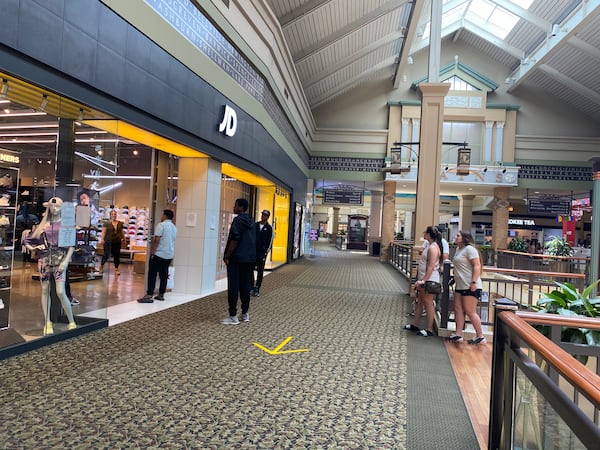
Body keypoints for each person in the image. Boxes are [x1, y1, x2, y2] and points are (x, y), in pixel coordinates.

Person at [24, 197, 77, 335]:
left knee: (60, 291)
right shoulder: (43, 224)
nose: (54, 209)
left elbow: (72, 244)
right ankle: (47, 322)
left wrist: (65, 262)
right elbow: (27, 240)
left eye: (58, 207)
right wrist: (34, 248)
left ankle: (71, 321)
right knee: (45, 290)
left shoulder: (66, 224)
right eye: (52, 207)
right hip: (43, 259)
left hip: (59, 259)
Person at [447, 230, 486, 345]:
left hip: (470, 285)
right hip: (460, 284)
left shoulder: (470, 249)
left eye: (458, 235)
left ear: (464, 238)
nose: (456, 237)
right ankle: (458, 334)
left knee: (470, 311)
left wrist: (473, 282)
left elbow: (477, 265)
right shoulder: (459, 250)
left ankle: (480, 335)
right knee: (458, 309)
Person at [403, 226, 443, 337]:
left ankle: (429, 329)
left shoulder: (433, 248)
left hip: (429, 280)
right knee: (419, 302)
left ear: (429, 234)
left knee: (428, 303)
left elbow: (430, 267)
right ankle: (415, 324)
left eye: (425, 232)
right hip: (424, 279)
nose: (424, 234)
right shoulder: (430, 246)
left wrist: (423, 281)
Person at [221, 198, 256, 324]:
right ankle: (245, 313)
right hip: (249, 259)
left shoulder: (237, 220)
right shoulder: (252, 221)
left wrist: (227, 256)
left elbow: (235, 239)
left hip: (236, 258)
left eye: (235, 205)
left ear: (241, 207)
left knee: (233, 287)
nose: (233, 207)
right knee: (245, 286)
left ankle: (233, 316)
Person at [138, 210, 177, 303]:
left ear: (165, 216)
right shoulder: (174, 227)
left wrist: (152, 252)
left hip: (159, 254)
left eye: (162, 214)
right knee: (164, 274)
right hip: (169, 254)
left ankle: (149, 295)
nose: (161, 216)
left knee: (152, 274)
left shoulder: (161, 225)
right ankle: (161, 294)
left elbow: (157, 240)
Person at [251, 209, 273, 297]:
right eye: (262, 214)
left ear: (267, 217)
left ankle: (257, 288)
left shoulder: (269, 228)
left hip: (261, 253)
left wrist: (265, 253)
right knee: (250, 270)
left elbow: (270, 242)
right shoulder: (255, 225)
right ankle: (251, 286)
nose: (263, 216)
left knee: (260, 271)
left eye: (265, 215)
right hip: (252, 252)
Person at [99, 210, 126, 275]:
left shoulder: (119, 223)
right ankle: (101, 266)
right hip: (108, 241)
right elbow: (104, 232)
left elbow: (121, 232)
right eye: (113, 214)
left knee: (117, 255)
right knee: (106, 255)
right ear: (110, 215)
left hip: (117, 241)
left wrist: (124, 239)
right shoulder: (107, 223)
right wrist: (102, 239)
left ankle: (116, 269)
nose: (114, 215)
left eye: (115, 214)